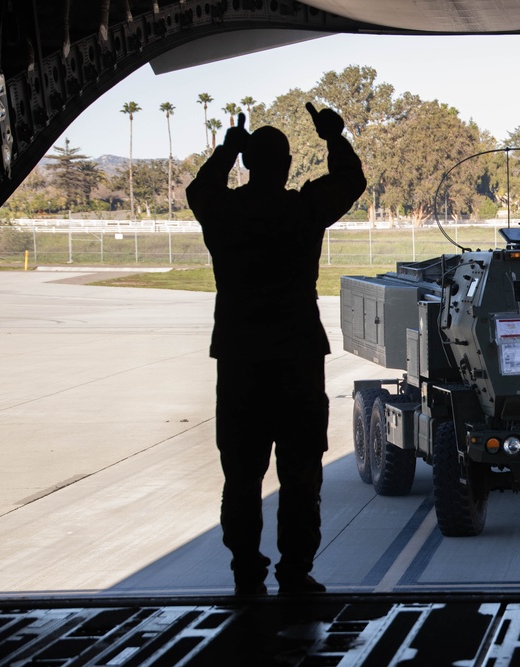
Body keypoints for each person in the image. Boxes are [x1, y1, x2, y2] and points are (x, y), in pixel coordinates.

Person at [186, 104, 366, 595]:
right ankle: (296, 571)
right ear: (287, 166)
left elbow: (198, 191)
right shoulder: (302, 210)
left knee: (241, 476)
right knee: (301, 473)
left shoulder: (225, 213)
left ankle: (246, 571)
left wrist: (227, 150)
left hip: (241, 361)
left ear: (247, 163)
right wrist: (334, 137)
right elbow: (350, 180)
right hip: (295, 358)